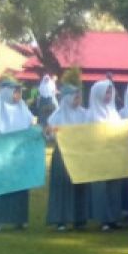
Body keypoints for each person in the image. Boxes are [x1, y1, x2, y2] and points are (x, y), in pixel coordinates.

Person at [0, 81, 35, 231]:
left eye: (19, 92)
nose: (18, 95)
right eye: (15, 92)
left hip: (18, 155)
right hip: (0, 155)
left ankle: (19, 219)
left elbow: (29, 130)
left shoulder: (25, 112)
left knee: (19, 188)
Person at [45, 85, 89, 230]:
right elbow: (50, 135)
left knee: (79, 185)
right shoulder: (56, 116)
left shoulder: (84, 114)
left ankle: (79, 218)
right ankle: (61, 219)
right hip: (63, 154)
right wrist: (53, 132)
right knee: (62, 186)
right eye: (75, 97)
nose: (78, 100)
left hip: (79, 153)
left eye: (79, 97)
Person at [87, 80, 128, 231]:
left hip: (113, 156)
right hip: (99, 157)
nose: (108, 95)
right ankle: (103, 219)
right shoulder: (91, 114)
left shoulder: (114, 112)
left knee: (114, 188)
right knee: (101, 188)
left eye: (110, 92)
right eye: (106, 92)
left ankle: (114, 218)